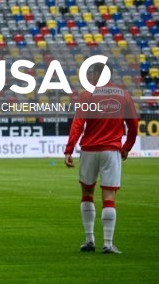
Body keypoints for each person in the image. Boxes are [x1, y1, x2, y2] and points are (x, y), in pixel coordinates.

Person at [64, 63, 138, 254]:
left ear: (98, 73)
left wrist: (69, 149)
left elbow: (78, 124)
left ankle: (89, 240)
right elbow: (133, 125)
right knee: (109, 195)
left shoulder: (87, 95)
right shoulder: (123, 95)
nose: (89, 77)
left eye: (91, 73)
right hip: (111, 150)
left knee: (87, 193)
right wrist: (127, 147)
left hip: (89, 150)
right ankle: (107, 243)